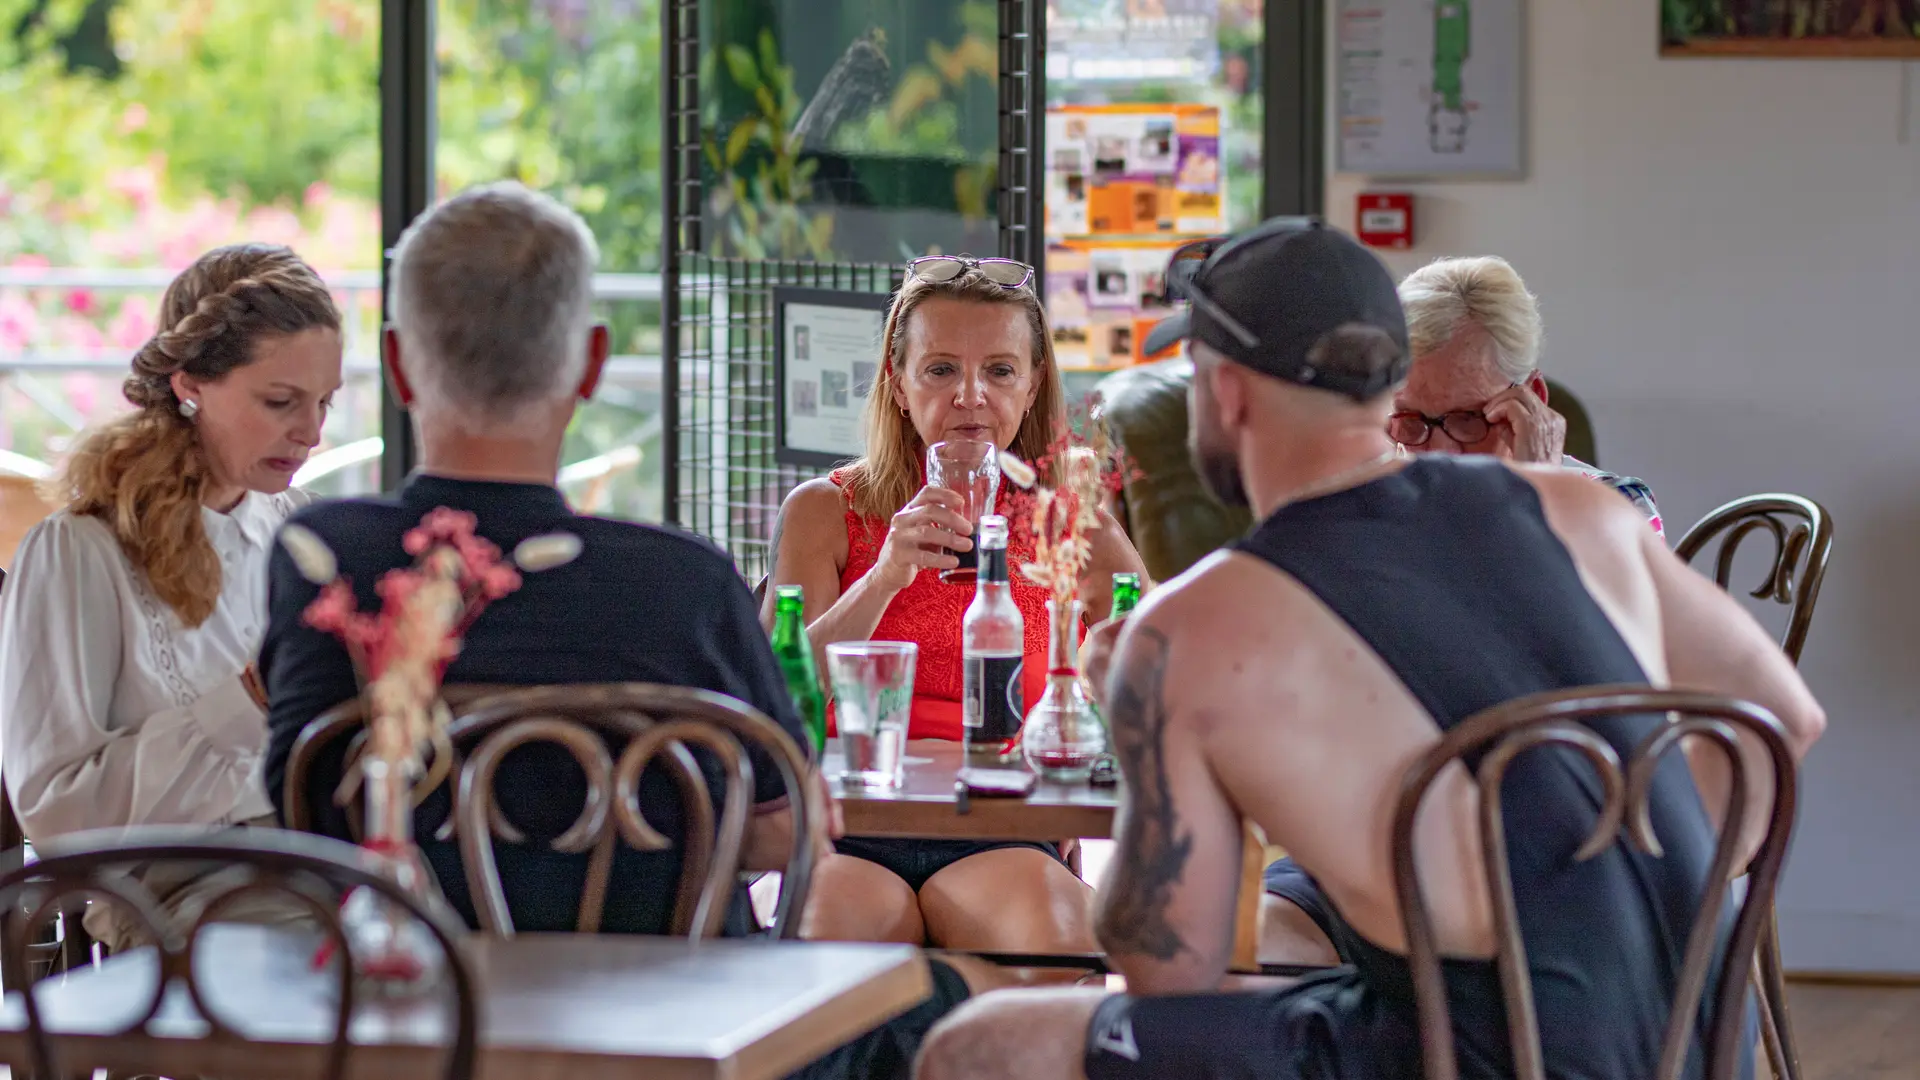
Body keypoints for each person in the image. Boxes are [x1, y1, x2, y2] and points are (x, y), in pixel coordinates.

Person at [912, 218, 1826, 1080]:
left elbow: (1168, 967)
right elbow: (1784, 717)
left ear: (1225, 393)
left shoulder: (1192, 626)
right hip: (1700, 1038)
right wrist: (1649, 900)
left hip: (1461, 1053)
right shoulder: (1582, 511)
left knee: (984, 1043)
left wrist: (1135, 720)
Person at [259, 182, 992, 1079]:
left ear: (398, 364)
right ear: (592, 364)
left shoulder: (323, 559)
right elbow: (782, 835)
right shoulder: (681, 582)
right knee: (940, 1004)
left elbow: (303, 812)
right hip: (663, 1039)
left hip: (395, 1033)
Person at [764, 255, 1147, 953]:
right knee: (823, 951)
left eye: (999, 370)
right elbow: (769, 696)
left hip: (1003, 824)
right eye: (941, 369)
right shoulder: (826, 510)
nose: (971, 396)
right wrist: (884, 577)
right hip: (850, 820)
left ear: (1032, 386)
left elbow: (1161, 667)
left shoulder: (1067, 517)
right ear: (898, 384)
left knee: (1053, 947)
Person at [0, 243, 344, 951]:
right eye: (281, 402)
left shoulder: (302, 534)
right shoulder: (81, 551)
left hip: (323, 866)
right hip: (179, 898)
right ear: (190, 385)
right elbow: (58, 819)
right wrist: (246, 700)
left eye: (324, 403)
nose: (311, 433)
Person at [1391, 255, 1665, 536]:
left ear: (1533, 397)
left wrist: (1539, 496)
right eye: (1411, 420)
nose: (1439, 452)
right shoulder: (1376, 500)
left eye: (1466, 419)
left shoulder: (1619, 510)